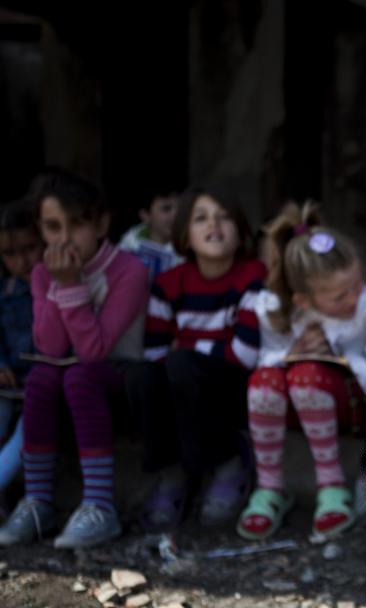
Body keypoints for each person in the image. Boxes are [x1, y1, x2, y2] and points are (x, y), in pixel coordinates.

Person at [0, 168, 148, 548]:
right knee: (41, 376)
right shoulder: (41, 274)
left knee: (81, 374)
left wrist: (68, 285)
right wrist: (56, 282)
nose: (64, 238)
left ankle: (100, 505)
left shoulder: (128, 271)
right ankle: (38, 502)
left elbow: (94, 350)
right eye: (53, 227)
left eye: (77, 224)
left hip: (123, 381)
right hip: (68, 384)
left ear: (101, 224)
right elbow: (49, 348)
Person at [238, 201, 366, 540]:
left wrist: (334, 354)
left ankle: (331, 484)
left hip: (350, 407)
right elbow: (263, 359)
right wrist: (292, 353)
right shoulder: (273, 310)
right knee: (264, 382)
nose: (353, 297)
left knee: (307, 376)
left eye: (357, 284)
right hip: (288, 409)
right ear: (302, 300)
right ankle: (270, 487)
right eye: (339, 296)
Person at [127, 187, 266, 532]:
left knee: (182, 364)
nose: (213, 226)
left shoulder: (253, 276)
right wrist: (195, 353)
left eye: (224, 217)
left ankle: (228, 460)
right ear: (184, 235)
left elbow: (245, 354)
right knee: (142, 374)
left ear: (241, 231)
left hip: (233, 390)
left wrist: (189, 350)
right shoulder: (168, 284)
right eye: (201, 218)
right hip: (183, 385)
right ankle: (172, 471)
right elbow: (155, 354)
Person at [0, 198, 45, 518]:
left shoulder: (60, 287)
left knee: (27, 431)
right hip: (9, 382)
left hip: (44, 386)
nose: (23, 261)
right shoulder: (5, 292)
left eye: (30, 248)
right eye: (10, 254)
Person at [118, 182, 183, 282]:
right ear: (145, 216)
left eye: (180, 208)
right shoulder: (127, 251)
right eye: (166, 209)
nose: (176, 215)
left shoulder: (192, 248)